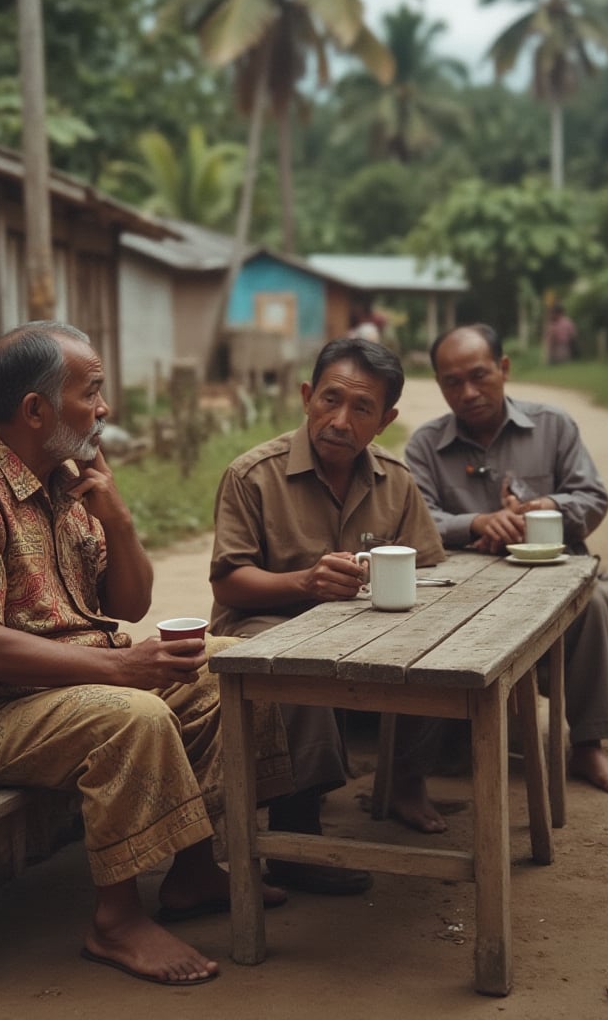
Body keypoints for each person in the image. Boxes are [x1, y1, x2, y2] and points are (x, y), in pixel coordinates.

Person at [0, 321, 294, 987]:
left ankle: (194, 870)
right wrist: (119, 667)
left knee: (225, 669)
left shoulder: (67, 483)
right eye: (93, 392)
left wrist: (118, 517)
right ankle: (114, 920)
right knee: (129, 716)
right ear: (36, 410)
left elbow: (131, 605)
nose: (105, 409)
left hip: (57, 694)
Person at [209, 337, 448, 863]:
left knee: (443, 648)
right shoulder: (253, 474)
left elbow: (428, 568)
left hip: (364, 628)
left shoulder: (396, 481)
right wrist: (303, 583)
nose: (340, 420)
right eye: (330, 399)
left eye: (362, 407)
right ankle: (298, 831)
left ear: (385, 419)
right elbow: (229, 582)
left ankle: (406, 781)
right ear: (305, 396)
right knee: (295, 659)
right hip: (262, 622)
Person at [404, 323, 608, 796]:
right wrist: (477, 523)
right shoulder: (424, 445)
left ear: (504, 368)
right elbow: (419, 518)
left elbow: (592, 497)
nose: (468, 392)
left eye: (479, 375)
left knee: (591, 605)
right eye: (452, 382)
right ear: (439, 385)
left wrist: (548, 507)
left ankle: (588, 743)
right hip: (463, 585)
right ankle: (431, 743)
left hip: (551, 575)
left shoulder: (554, 425)